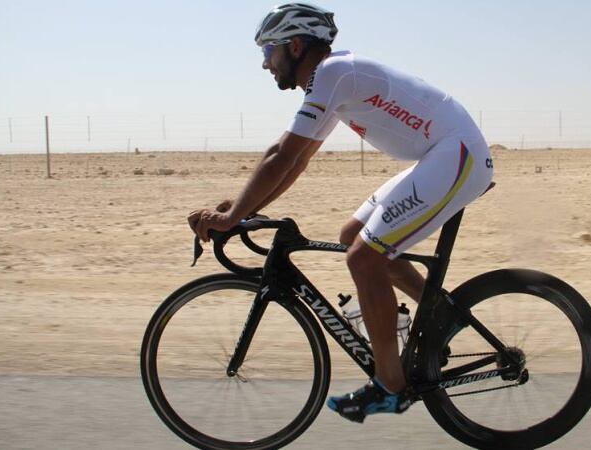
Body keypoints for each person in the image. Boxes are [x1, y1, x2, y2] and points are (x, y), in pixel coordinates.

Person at [187, 3, 493, 423]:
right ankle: (439, 314)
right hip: (444, 154)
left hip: (458, 157)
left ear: (295, 46)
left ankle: (390, 386)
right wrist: (243, 210)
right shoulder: (331, 81)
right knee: (353, 236)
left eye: (268, 51)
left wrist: (233, 216)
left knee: (364, 257)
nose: (264, 63)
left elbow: (282, 155)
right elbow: (297, 160)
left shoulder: (333, 74)